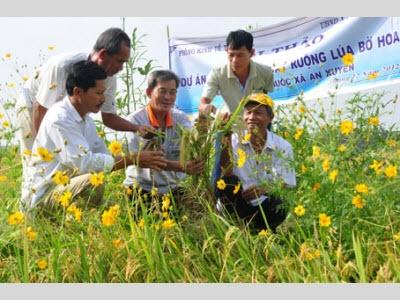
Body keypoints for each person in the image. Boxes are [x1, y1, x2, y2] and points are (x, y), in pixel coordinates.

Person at [21, 60, 167, 210]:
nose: (103, 99)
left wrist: (141, 154)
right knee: (92, 180)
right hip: (44, 197)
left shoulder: (86, 120)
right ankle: (62, 226)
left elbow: (104, 156)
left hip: (63, 191)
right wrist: (133, 159)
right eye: (98, 93)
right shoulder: (60, 119)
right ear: (78, 92)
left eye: (103, 93)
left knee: (113, 205)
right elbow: (85, 164)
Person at [16, 27, 151, 176]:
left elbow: (108, 117)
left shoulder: (109, 77)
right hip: (32, 105)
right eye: (119, 61)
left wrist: (136, 128)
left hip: (66, 115)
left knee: (75, 165)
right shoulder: (62, 66)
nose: (121, 68)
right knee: (37, 163)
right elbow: (40, 108)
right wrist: (41, 149)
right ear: (103, 54)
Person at [215, 93, 296, 233]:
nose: (251, 118)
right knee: (228, 183)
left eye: (258, 113)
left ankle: (265, 229)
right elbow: (226, 171)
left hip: (265, 204)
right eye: (248, 112)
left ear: (270, 118)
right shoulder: (233, 140)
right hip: (238, 202)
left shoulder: (282, 146)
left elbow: (288, 182)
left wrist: (264, 189)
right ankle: (237, 225)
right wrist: (225, 136)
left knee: (279, 201)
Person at [124, 70, 205, 205]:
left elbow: (193, 141)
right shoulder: (135, 120)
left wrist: (203, 129)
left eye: (172, 92)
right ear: (149, 92)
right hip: (141, 188)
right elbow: (140, 159)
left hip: (172, 189)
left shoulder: (180, 118)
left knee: (199, 210)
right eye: (162, 91)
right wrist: (182, 167)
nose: (168, 97)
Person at [199, 29, 274, 115]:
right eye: (231, 55)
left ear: (252, 53)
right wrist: (209, 108)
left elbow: (264, 101)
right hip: (229, 125)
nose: (235, 60)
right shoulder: (217, 73)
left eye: (240, 55)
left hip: (256, 124)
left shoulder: (265, 72)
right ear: (226, 51)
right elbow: (203, 104)